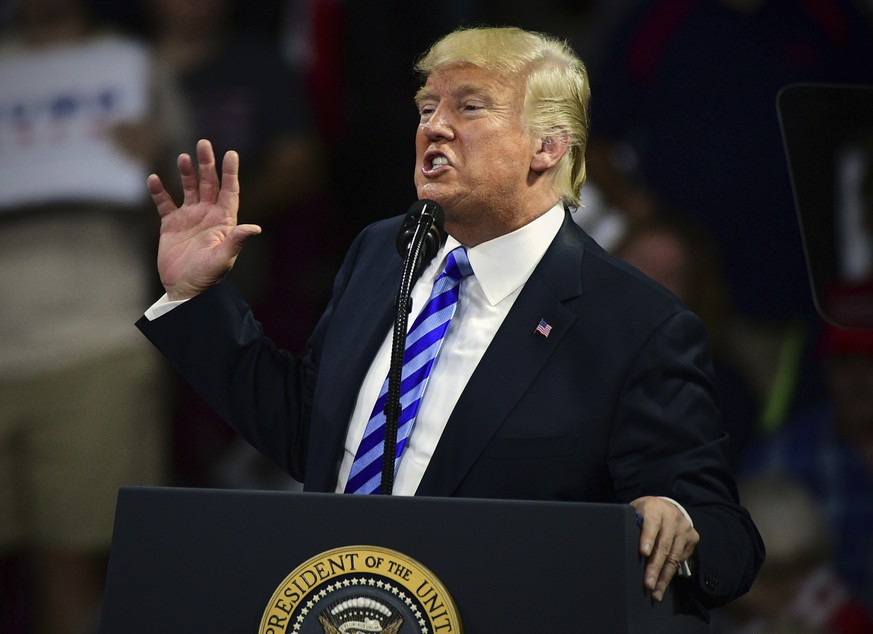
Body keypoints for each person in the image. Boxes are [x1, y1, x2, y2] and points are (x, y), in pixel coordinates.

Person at [137, 26, 764, 611]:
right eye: (425, 108)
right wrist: (199, 296)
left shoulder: (634, 321)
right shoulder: (383, 252)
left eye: (468, 107)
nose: (434, 127)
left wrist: (678, 521)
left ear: (547, 146)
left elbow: (725, 537)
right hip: (341, 604)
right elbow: (315, 436)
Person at [0, 0, 186, 632]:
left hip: (91, 342)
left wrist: (152, 159)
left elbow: (188, 215)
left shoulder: (134, 67)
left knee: (74, 562)